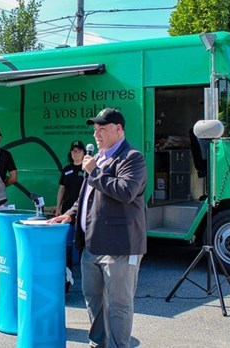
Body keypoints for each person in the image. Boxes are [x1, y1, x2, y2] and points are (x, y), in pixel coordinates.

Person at [48, 108, 147, 348]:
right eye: (94, 129)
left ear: (119, 129)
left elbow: (125, 191)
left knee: (118, 304)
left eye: (102, 129)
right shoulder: (99, 158)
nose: (96, 134)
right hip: (91, 245)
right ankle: (97, 342)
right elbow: (87, 197)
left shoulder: (132, 157)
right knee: (93, 299)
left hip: (119, 246)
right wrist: (69, 215)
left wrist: (94, 171)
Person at [55, 140, 86, 294]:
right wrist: (58, 207)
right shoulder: (66, 169)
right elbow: (62, 189)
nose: (76, 153)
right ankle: (68, 273)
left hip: (84, 212)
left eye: (79, 150)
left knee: (82, 242)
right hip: (68, 212)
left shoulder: (87, 169)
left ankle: (85, 270)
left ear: (84, 153)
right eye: (73, 151)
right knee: (67, 243)